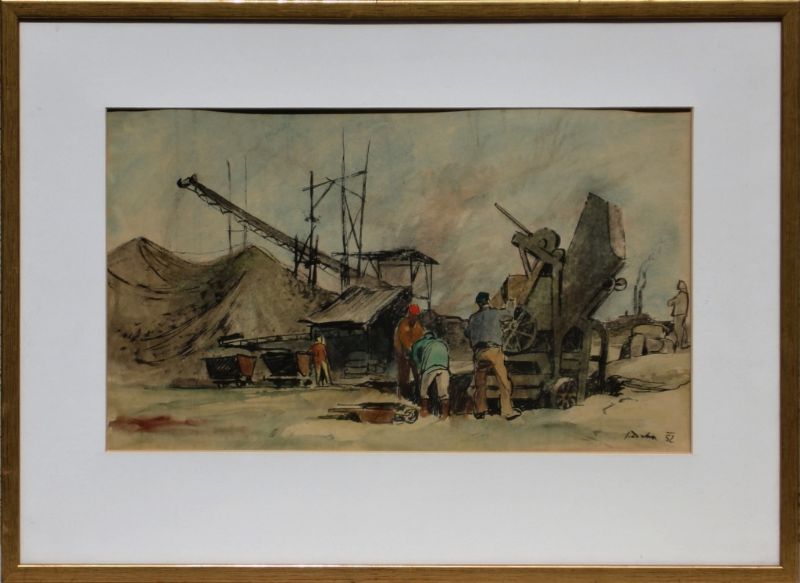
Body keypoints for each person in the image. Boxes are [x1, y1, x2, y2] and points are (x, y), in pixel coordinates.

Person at [465, 292, 521, 421]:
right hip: (493, 351)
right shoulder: (496, 313)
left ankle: (480, 410)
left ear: (478, 303)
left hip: (479, 353)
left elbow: (467, 333)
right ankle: (507, 411)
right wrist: (511, 304)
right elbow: (510, 315)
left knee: (480, 384)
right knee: (504, 382)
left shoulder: (473, 317)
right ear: (489, 301)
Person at [410, 331, 451, 420]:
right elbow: (447, 358)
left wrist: (420, 370)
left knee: (424, 392)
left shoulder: (419, 343)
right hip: (443, 369)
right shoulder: (442, 343)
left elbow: (414, 359)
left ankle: (425, 411)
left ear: (425, 337)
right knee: (444, 394)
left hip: (429, 368)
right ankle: (445, 416)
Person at [393, 304, 425, 401]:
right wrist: (408, 350)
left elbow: (420, 339)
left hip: (413, 353)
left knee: (417, 373)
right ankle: (403, 394)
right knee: (404, 374)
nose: (414, 317)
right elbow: (404, 340)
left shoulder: (418, 326)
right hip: (403, 352)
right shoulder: (403, 324)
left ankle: (417, 392)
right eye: (412, 315)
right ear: (409, 314)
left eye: (416, 316)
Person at [667, 280, 690, 350]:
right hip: (682, 314)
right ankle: (684, 343)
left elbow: (669, 303)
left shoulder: (680, 295)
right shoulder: (685, 295)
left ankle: (680, 344)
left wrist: (672, 299)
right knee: (682, 327)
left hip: (679, 314)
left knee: (677, 328)